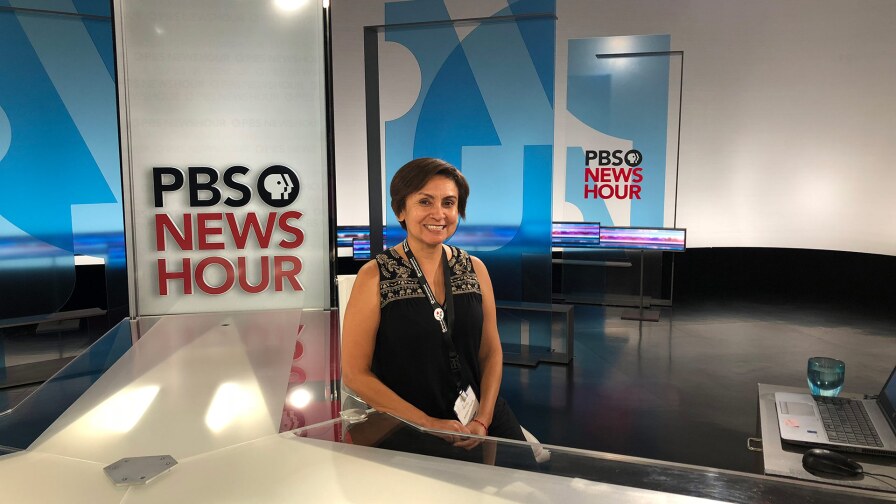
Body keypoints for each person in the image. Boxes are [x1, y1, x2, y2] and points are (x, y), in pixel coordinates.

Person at [341, 157, 528, 459]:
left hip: (477, 412)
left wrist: (484, 418)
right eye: (425, 202)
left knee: (528, 484)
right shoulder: (375, 275)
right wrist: (428, 423)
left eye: (449, 203)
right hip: (406, 421)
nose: (439, 214)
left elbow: (490, 352)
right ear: (401, 210)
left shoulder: (474, 269)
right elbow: (354, 374)